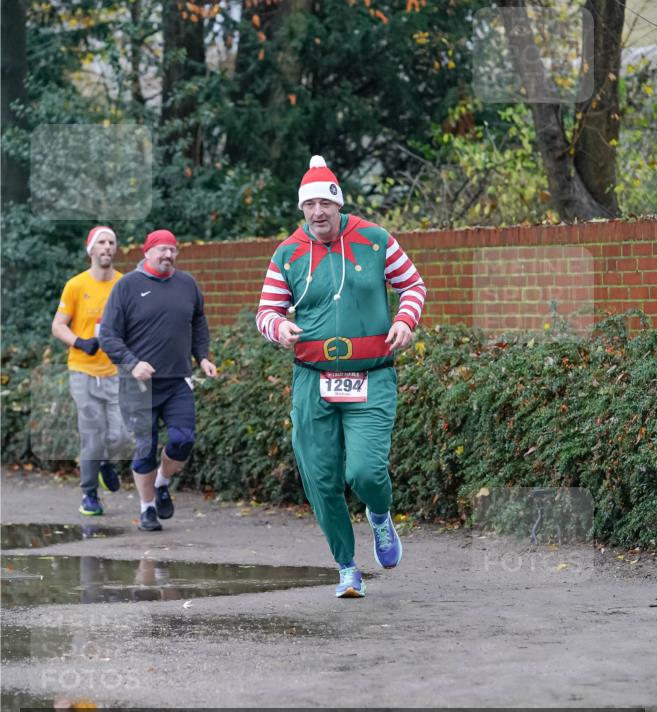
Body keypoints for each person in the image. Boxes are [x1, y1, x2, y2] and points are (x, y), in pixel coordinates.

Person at [257, 156, 426, 598]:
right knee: (320, 477)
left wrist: (406, 321)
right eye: (309, 205)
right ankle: (347, 567)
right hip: (313, 379)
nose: (318, 213)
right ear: (302, 209)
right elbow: (267, 311)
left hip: (372, 375)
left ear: (338, 205)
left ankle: (379, 515)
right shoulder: (287, 253)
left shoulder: (374, 240)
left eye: (325, 204)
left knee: (365, 471)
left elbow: (413, 285)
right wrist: (279, 328)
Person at [99, 229, 217, 532]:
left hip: (178, 380)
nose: (168, 255)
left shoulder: (187, 284)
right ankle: (147, 508)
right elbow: (109, 337)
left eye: (173, 250)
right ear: (146, 252)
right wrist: (132, 363)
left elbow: (198, 321)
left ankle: (162, 483)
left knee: (183, 439)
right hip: (138, 385)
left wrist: (202, 356)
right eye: (162, 249)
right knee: (144, 449)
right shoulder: (127, 286)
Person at [52, 226, 125, 516]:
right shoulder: (75, 285)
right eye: (101, 243)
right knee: (92, 434)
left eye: (111, 242)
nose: (107, 247)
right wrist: (80, 342)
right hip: (82, 369)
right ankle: (89, 495)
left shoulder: (124, 284)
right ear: (91, 250)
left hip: (115, 371)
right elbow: (58, 325)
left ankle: (105, 461)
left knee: (121, 434)